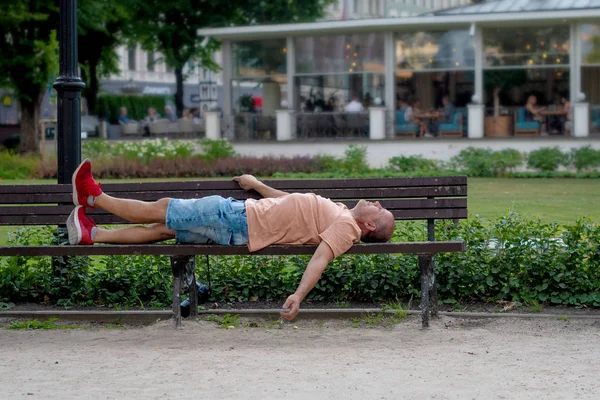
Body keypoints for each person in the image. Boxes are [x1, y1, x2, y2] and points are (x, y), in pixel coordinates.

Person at [67, 159, 395, 321]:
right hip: (243, 219)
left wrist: (298, 295)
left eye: (379, 211)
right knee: (164, 230)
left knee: (165, 210)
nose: (377, 204)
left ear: (368, 225)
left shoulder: (345, 228)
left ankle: (94, 197)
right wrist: (258, 184)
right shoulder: (340, 213)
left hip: (238, 219)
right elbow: (289, 200)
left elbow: (320, 258)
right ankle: (92, 234)